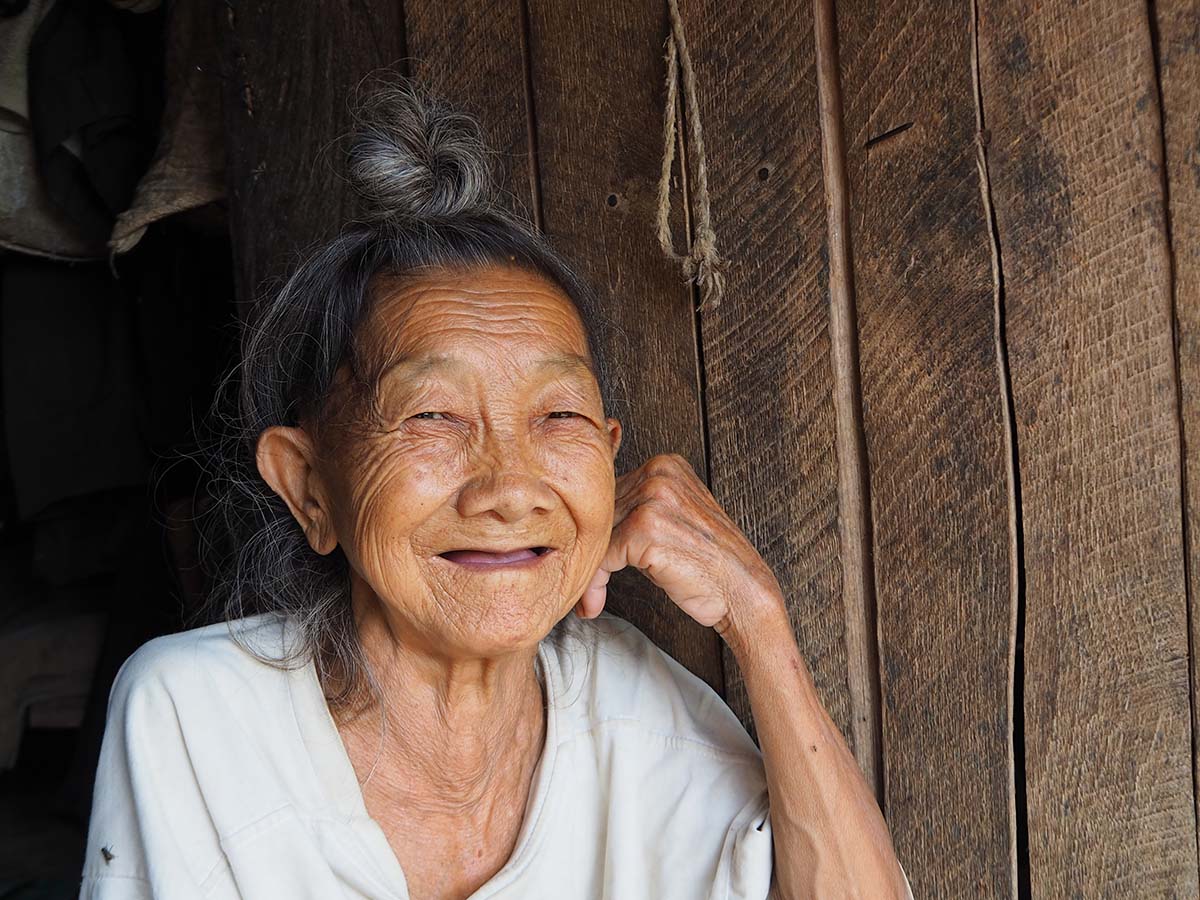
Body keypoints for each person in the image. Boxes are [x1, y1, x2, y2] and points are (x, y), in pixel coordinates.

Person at [79, 77, 915, 900]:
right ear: (309, 488)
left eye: (558, 416)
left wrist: (755, 616)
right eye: (434, 415)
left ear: (610, 454)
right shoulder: (197, 721)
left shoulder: (634, 711)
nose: (511, 489)